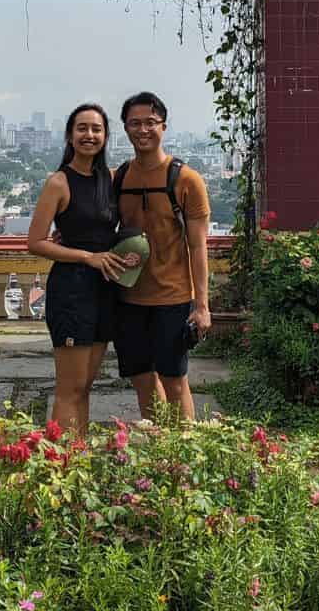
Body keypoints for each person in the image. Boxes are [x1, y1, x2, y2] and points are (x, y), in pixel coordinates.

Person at [27, 103, 133, 437]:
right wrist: (87, 256)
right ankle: (59, 462)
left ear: (105, 136)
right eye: (82, 128)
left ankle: (79, 456)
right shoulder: (59, 182)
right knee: (69, 389)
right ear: (70, 136)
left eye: (96, 129)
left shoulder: (110, 180)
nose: (89, 135)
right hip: (72, 290)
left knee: (85, 387)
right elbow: (36, 242)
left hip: (105, 290)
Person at [112, 91, 211, 420]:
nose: (143, 130)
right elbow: (99, 228)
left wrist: (202, 306)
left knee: (174, 379)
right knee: (141, 378)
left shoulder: (185, 179)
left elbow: (198, 247)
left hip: (173, 296)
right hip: (129, 297)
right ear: (125, 128)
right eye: (135, 123)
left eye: (150, 123)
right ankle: (158, 450)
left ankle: (185, 455)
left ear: (164, 127)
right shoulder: (119, 178)